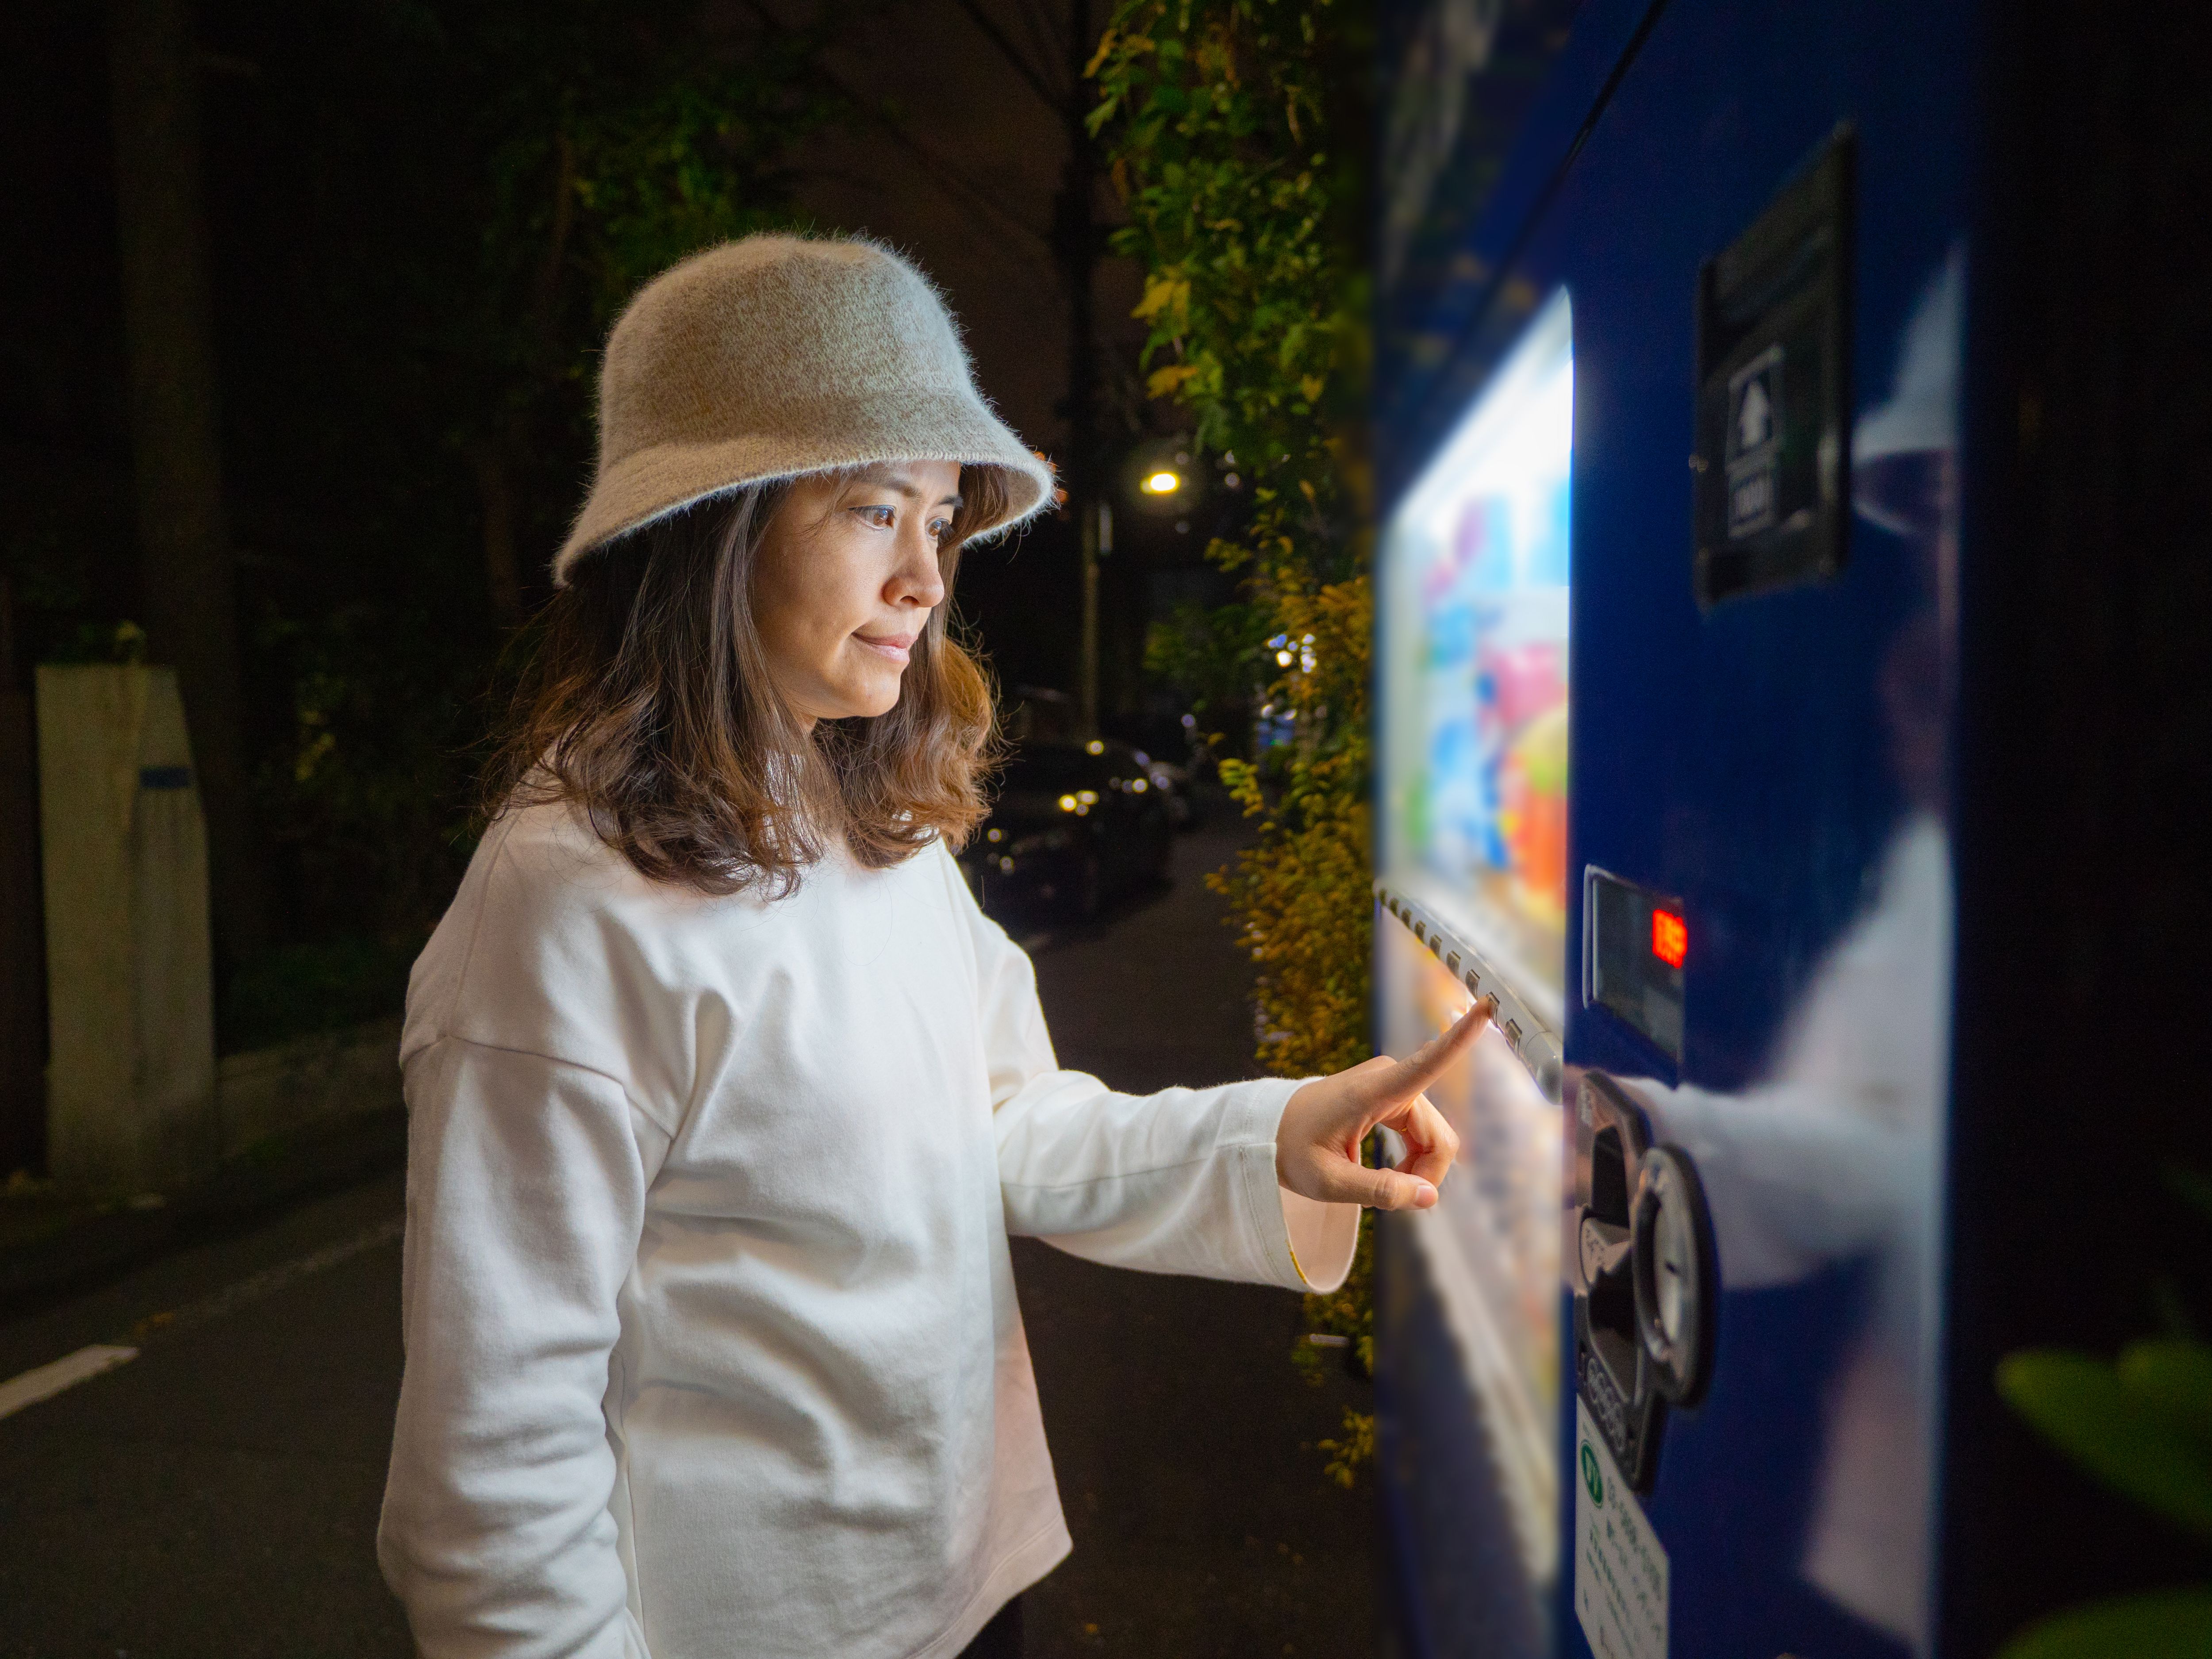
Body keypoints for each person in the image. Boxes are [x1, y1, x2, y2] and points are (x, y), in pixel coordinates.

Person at [378, 234, 1483, 1659]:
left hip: (968, 1584)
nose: (924, 577)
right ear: (711, 527)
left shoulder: (866, 820)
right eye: (868, 509)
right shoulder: (565, 897)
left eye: (942, 519)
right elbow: (491, 1477)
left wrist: (1270, 1138)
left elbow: (1002, 1123)